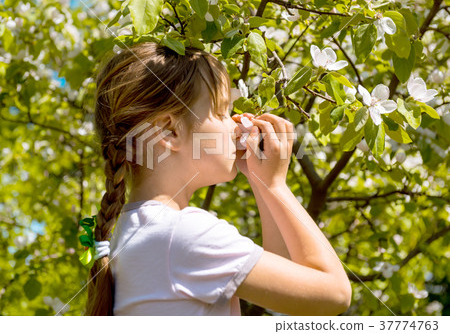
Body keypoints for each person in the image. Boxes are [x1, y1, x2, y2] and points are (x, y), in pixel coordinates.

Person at [86, 41, 352, 316]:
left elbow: (291, 288)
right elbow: (334, 295)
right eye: (222, 111)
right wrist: (276, 185)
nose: (236, 122)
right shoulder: (184, 233)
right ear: (169, 131)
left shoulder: (136, 231)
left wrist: (261, 182)